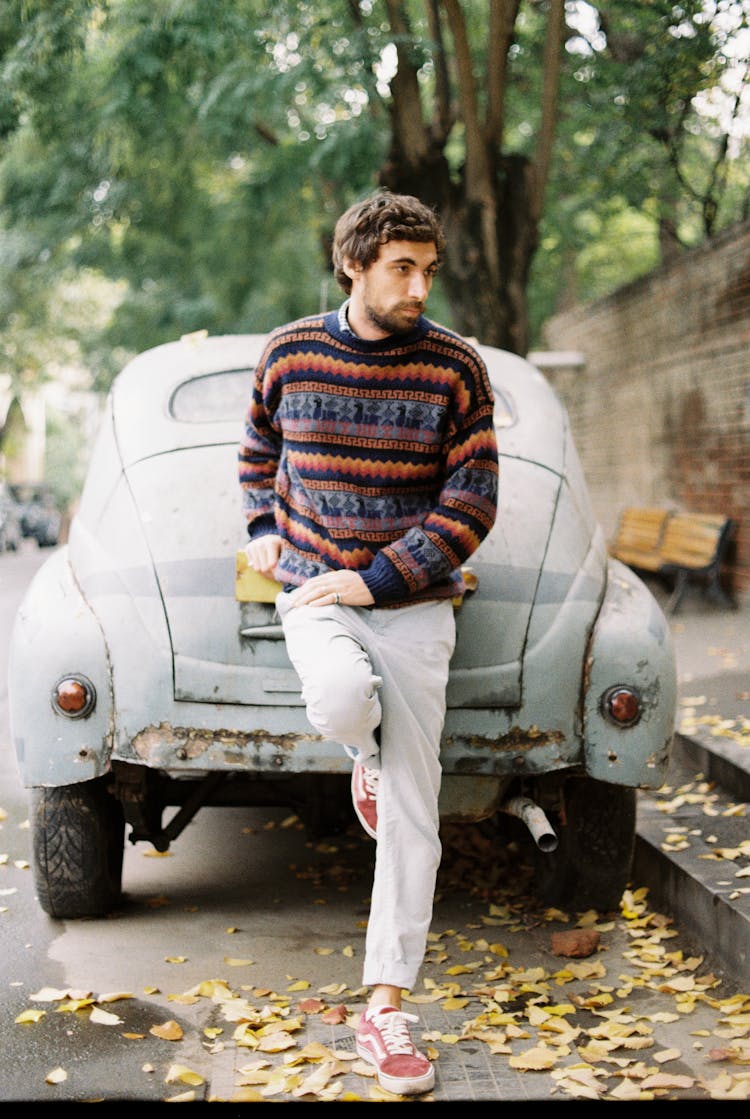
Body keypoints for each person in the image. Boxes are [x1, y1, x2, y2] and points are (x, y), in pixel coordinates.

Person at [238, 190, 498, 1096]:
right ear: (354, 264)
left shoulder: (456, 367)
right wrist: (259, 522)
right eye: (403, 268)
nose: (421, 285)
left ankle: (384, 1008)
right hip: (312, 586)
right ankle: (365, 754)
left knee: (416, 820)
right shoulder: (289, 351)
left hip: (416, 600)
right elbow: (258, 443)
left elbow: (473, 504)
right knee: (346, 700)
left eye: (429, 268)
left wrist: (380, 577)